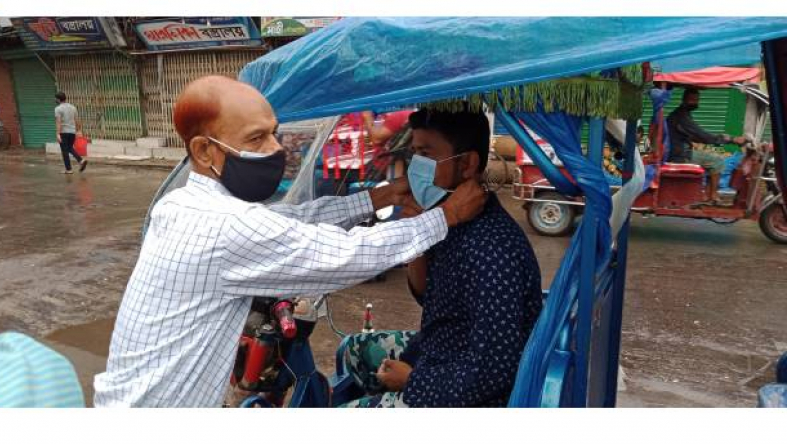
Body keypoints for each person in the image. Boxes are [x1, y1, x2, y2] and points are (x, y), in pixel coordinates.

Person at [93, 76, 487, 407]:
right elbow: (348, 255)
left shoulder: (181, 204)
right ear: (204, 150)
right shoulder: (224, 226)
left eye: (274, 134)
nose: (276, 149)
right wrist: (446, 216)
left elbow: (289, 220)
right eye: (257, 138)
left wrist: (380, 196)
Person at [339, 107, 543, 408]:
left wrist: (413, 381)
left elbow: (493, 370)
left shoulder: (491, 249)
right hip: (439, 349)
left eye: (427, 154)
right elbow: (428, 296)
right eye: (414, 153)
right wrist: (418, 236)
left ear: (467, 163)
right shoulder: (449, 218)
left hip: (469, 391)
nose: (415, 166)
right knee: (352, 350)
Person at [667, 87, 747, 203]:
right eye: (692, 100)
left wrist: (716, 139)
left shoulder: (683, 114)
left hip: (680, 151)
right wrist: (732, 139)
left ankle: (706, 194)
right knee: (717, 161)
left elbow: (696, 136)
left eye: (697, 100)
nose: (695, 103)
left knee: (711, 159)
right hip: (680, 155)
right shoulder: (681, 116)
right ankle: (713, 195)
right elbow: (702, 135)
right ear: (684, 99)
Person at [55, 91, 88, 174]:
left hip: (64, 132)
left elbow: (58, 122)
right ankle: (80, 161)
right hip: (72, 132)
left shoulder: (58, 109)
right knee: (69, 148)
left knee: (64, 150)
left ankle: (69, 169)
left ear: (58, 99)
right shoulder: (73, 107)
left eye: (56, 99)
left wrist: (58, 134)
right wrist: (79, 130)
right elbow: (77, 120)